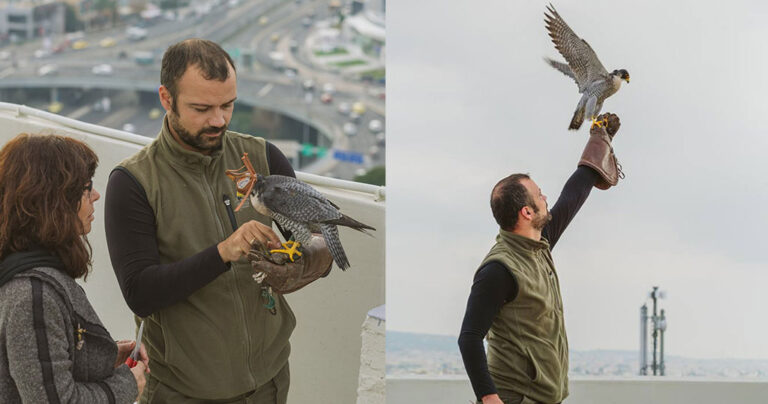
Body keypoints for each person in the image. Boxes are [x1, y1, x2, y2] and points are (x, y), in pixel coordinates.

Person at [104, 38, 333, 403]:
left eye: (228, 105)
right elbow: (140, 294)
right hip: (182, 393)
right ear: (166, 98)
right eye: (202, 108)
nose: (219, 119)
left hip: (269, 384)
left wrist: (307, 262)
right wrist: (223, 252)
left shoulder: (263, 157)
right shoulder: (133, 182)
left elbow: (318, 238)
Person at [458, 114, 624, 404]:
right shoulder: (498, 270)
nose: (545, 197)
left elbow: (573, 194)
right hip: (515, 398)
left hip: (546, 397)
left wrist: (600, 140)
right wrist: (489, 399)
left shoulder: (539, 244)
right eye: (539, 195)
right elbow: (470, 337)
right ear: (527, 212)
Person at [0, 133, 148, 403]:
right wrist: (129, 383)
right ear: (53, 200)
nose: (96, 195)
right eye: (86, 187)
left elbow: (42, 367)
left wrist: (103, 357)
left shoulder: (30, 279)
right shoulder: (32, 296)